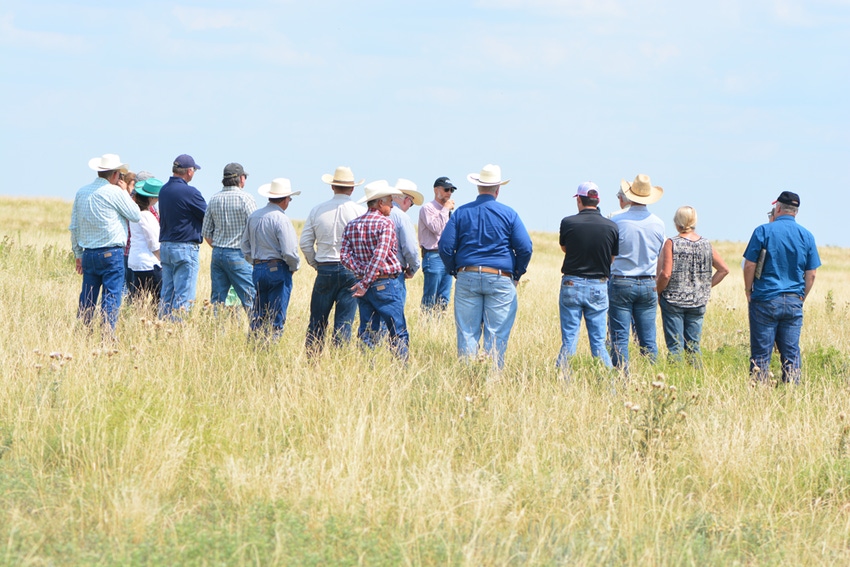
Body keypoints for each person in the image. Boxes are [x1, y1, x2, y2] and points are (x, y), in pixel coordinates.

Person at [439, 164, 533, 369]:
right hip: (500, 277)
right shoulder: (509, 214)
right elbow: (525, 248)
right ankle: (491, 382)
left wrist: (455, 270)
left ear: (478, 188)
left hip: (467, 275)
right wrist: (516, 274)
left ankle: (468, 381)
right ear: (498, 190)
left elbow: (445, 246)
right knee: (496, 336)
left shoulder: (461, 213)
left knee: (467, 333)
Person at [743, 191, 820, 384]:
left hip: (765, 298)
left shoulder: (763, 231)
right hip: (794, 299)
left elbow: (750, 264)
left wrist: (748, 290)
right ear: (796, 212)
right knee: (791, 353)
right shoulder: (807, 235)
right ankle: (791, 394)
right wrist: (802, 296)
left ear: (777, 208)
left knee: (761, 353)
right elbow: (811, 273)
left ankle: (759, 392)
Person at [69, 154, 141, 332]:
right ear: (116, 175)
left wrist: (78, 254)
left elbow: (74, 226)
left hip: (88, 252)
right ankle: (107, 333)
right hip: (111, 252)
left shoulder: (82, 192)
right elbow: (135, 215)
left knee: (88, 295)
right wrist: (125, 192)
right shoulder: (115, 192)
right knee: (111, 295)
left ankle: (83, 330)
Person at [299, 166, 367, 356]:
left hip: (325, 267)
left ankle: (313, 359)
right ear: (352, 189)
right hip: (351, 271)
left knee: (317, 320)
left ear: (332, 187)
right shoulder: (359, 211)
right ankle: (340, 360)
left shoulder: (317, 210)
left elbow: (305, 243)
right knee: (344, 321)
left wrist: (315, 263)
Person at [341, 180, 409, 360]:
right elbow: (379, 256)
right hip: (384, 283)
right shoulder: (385, 224)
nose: (392, 205)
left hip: (365, 286)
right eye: (389, 202)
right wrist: (366, 280)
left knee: (368, 331)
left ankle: (367, 370)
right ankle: (401, 370)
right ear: (380, 203)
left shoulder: (352, 225)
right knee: (397, 330)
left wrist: (362, 273)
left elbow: (344, 256)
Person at [557, 182, 619, 373]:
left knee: (569, 339)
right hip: (598, 285)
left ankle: (562, 381)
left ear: (579, 200)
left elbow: (564, 248)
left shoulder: (568, 222)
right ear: (597, 200)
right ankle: (609, 385)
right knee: (599, 343)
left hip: (571, 282)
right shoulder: (611, 227)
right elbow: (612, 258)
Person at [656, 206, 729, 363]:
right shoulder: (706, 244)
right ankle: (696, 379)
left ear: (677, 222)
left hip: (673, 300)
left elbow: (666, 273)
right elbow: (723, 270)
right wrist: (704, 287)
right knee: (693, 347)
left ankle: (675, 379)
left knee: (675, 347)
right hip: (698, 301)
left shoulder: (671, 243)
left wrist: (658, 291)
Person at [607, 173, 666, 371]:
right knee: (648, 339)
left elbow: (610, 254)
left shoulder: (617, 221)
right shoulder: (658, 223)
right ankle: (652, 377)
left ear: (629, 196)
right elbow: (661, 255)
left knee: (619, 337)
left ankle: (622, 377)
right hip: (649, 281)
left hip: (622, 280)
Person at [241, 178, 301, 339]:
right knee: (276, 316)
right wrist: (294, 267)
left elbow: (244, 245)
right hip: (278, 269)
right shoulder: (281, 219)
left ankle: (253, 348)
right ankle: (271, 348)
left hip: (258, 268)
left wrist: (254, 261)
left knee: (259, 314)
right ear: (285, 199)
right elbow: (289, 251)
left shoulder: (254, 216)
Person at [202, 162, 257, 310]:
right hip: (239, 253)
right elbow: (256, 228)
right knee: (250, 297)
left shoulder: (214, 199)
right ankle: (257, 331)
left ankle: (215, 331)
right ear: (241, 179)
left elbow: (206, 232)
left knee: (218, 300)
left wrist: (219, 246)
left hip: (218, 252)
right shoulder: (246, 198)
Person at [158, 154, 207, 318]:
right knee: (183, 296)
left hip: (165, 246)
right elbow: (208, 216)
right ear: (189, 171)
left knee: (167, 294)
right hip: (185, 247)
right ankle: (177, 333)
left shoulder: (163, 190)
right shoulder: (190, 192)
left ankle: (161, 329)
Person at [419, 176, 456, 312]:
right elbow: (436, 228)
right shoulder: (427, 208)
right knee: (430, 297)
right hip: (433, 255)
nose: (449, 193)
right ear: (436, 190)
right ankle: (426, 327)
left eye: (451, 190)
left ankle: (437, 327)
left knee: (443, 299)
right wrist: (445, 209)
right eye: (446, 189)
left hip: (447, 256)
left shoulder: (448, 212)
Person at [128, 178, 164, 302]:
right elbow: (153, 243)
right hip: (149, 263)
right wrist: (163, 260)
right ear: (151, 199)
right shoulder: (147, 216)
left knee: (138, 298)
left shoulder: (135, 214)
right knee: (159, 298)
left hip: (135, 261)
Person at [390, 178, 423, 303]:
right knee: (394, 318)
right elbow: (410, 248)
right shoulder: (402, 217)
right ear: (406, 200)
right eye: (411, 203)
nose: (410, 206)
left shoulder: (376, 214)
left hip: (370, 275)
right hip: (394, 274)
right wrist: (413, 268)